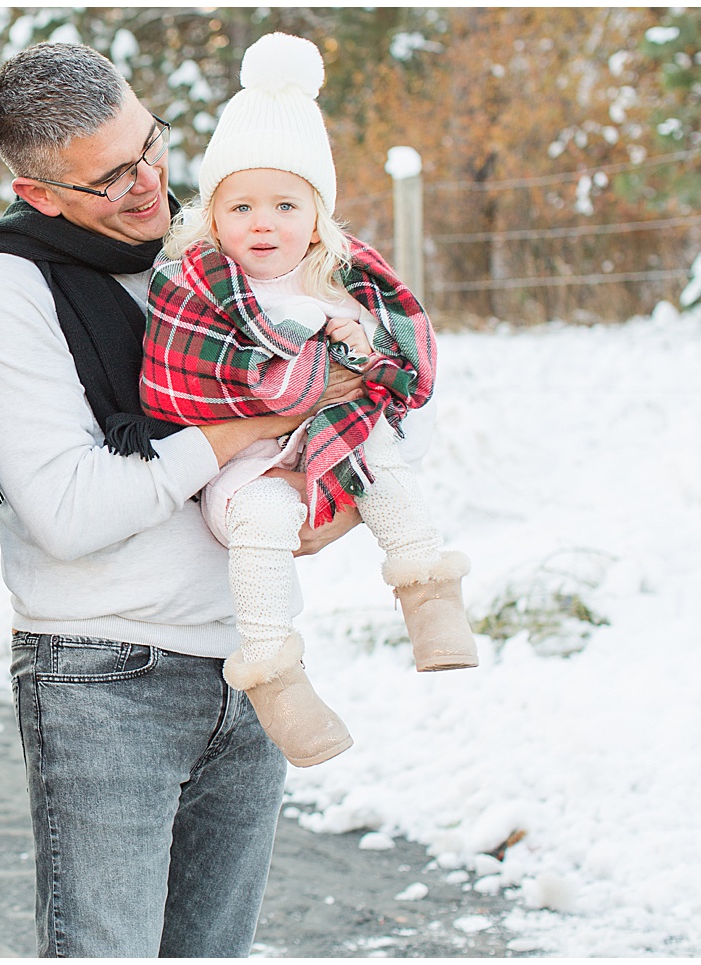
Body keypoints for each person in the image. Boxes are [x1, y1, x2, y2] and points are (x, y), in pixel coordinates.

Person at [0, 41, 367, 957]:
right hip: (105, 680)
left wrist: (316, 494)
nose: (149, 184)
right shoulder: (9, 285)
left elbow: (340, 397)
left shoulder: (218, 245)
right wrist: (244, 430)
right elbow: (69, 508)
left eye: (151, 146)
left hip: (249, 658)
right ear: (40, 195)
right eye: (110, 179)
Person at [140, 32, 478, 770]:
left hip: (334, 439)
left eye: (285, 204)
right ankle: (276, 673)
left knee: (384, 460)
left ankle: (428, 592)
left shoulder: (343, 280)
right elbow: (178, 381)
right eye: (242, 206)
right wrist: (304, 357)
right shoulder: (193, 285)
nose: (263, 223)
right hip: (248, 457)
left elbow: (392, 374)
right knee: (258, 520)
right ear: (212, 214)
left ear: (317, 216)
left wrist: (354, 346)